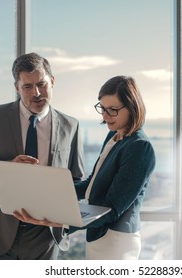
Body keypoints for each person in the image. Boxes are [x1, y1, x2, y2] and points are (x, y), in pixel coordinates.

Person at [0, 52, 85, 260]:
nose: (36, 93)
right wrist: (8, 170)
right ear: (17, 87)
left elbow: (76, 180)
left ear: (52, 82)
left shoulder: (71, 125)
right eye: (27, 86)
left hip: (45, 238)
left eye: (42, 84)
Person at [15, 75, 156, 260]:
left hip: (117, 241)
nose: (105, 117)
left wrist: (61, 221)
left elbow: (112, 209)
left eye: (113, 110)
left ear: (132, 107)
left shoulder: (139, 147)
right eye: (103, 109)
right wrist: (48, 192)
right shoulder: (114, 136)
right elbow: (92, 184)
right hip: (99, 236)